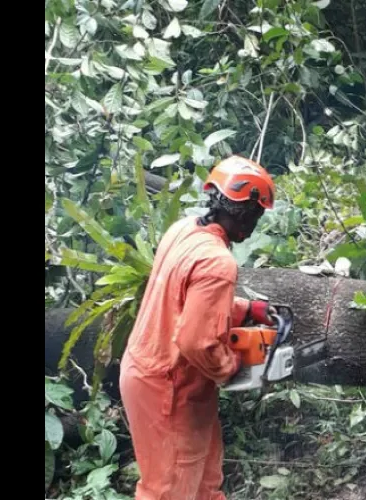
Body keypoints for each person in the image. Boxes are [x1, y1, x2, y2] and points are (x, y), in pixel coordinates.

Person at [119, 155, 278, 500]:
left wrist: (246, 308)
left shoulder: (184, 231)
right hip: (170, 386)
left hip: (156, 370)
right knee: (169, 490)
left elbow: (182, 299)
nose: (255, 224)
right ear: (244, 211)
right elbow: (198, 341)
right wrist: (231, 368)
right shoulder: (218, 262)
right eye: (257, 215)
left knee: (205, 481)